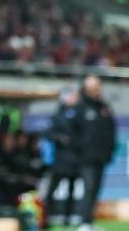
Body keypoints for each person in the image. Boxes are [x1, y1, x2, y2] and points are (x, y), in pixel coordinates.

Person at [76, 75, 116, 231]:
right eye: (94, 87)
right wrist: (80, 150)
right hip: (86, 158)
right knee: (89, 188)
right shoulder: (81, 107)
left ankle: (89, 221)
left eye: (98, 86)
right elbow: (74, 133)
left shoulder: (103, 107)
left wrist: (109, 150)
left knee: (96, 190)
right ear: (87, 88)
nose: (98, 89)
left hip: (101, 157)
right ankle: (83, 222)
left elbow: (111, 130)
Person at [43, 84, 81, 227]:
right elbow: (48, 132)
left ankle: (68, 217)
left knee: (72, 189)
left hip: (75, 158)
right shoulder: (58, 114)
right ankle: (47, 215)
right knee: (52, 188)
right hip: (61, 159)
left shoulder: (80, 113)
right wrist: (60, 138)